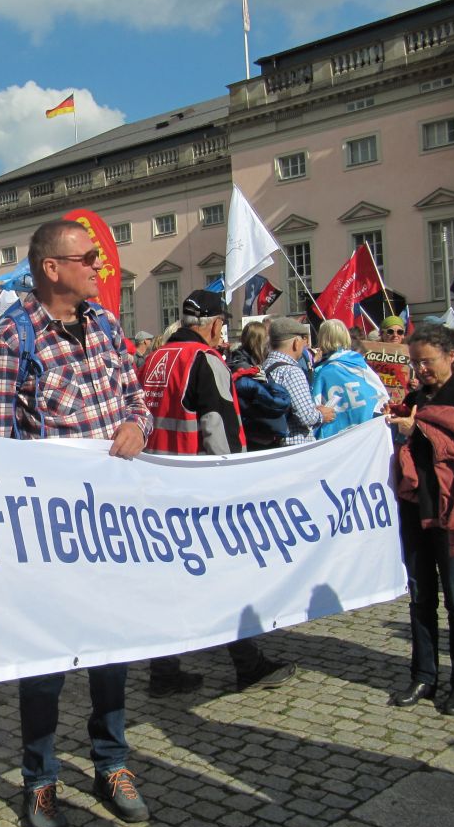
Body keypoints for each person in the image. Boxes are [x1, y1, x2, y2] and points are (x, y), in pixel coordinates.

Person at [0, 219, 151, 827]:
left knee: (112, 652)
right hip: (51, 533)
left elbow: (137, 400)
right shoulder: (8, 339)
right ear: (52, 267)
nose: (99, 267)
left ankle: (112, 762)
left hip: (112, 524)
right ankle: (40, 777)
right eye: (89, 259)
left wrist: (138, 427)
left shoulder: (105, 325)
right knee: (46, 662)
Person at [140, 291, 297, 699]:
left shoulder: (155, 357)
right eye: (222, 325)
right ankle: (248, 665)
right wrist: (233, 482)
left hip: (156, 479)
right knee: (221, 576)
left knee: (171, 578)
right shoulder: (205, 360)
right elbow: (219, 426)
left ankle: (164, 669)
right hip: (197, 482)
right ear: (213, 324)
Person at [387, 325, 454, 716]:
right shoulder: (414, 398)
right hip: (418, 509)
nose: (420, 370)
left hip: (453, 510)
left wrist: (418, 428)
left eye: (427, 362)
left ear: (450, 356)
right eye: (415, 362)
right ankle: (423, 675)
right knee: (420, 599)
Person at [262, 318, 335, 446]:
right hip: (295, 445)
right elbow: (306, 417)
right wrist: (322, 415)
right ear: (296, 342)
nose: (305, 345)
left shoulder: (265, 366)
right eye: (303, 340)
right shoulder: (291, 372)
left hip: (273, 443)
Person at [310, 319, 388, 438]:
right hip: (367, 425)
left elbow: (315, 403)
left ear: (322, 338)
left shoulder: (322, 371)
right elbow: (379, 389)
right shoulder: (358, 362)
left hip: (337, 434)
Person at [226, 322, 291, 451]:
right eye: (267, 338)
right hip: (257, 435)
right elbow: (272, 402)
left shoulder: (245, 362)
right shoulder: (244, 367)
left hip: (256, 431)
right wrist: (272, 387)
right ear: (259, 342)